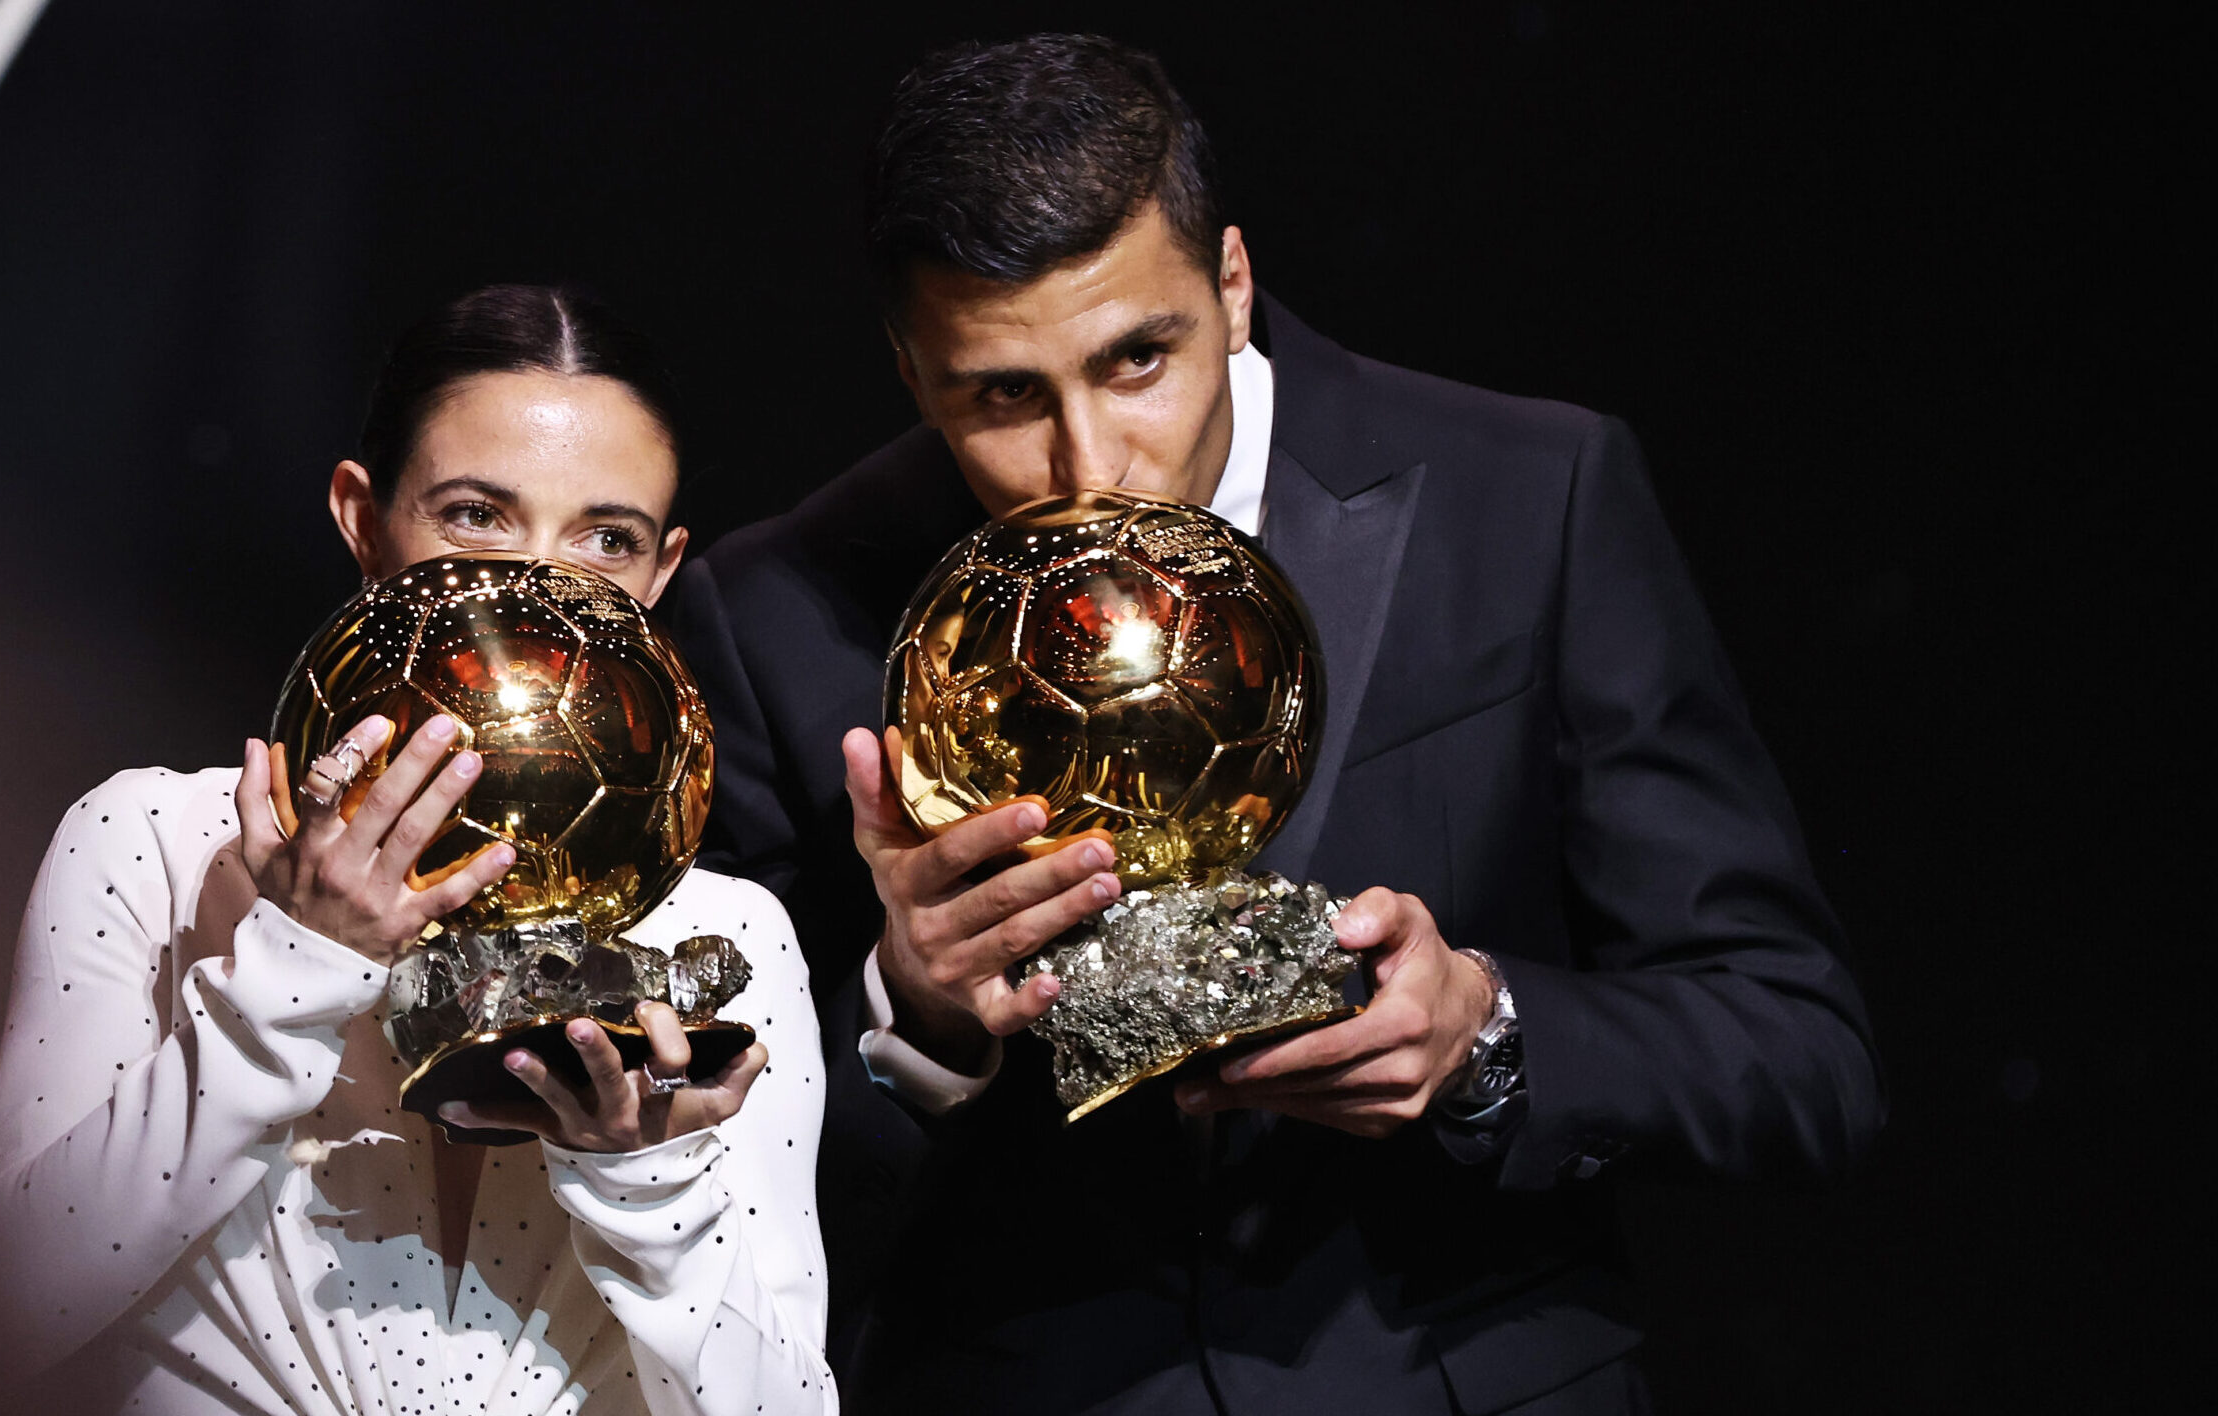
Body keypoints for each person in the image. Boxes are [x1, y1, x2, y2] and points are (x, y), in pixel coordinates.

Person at [663, 36, 1881, 1416]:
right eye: (1001, 394)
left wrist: (1481, 1032)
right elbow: (695, 1194)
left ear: (1232, 283)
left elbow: (1798, 1050)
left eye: (1137, 360)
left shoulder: (1531, 496)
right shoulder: (777, 607)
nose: (1088, 465)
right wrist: (912, 1024)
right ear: (908, 367)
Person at [0, 285, 838, 1416]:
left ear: (662, 574)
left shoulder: (720, 931)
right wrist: (291, 975)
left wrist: (645, 1183)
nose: (535, 589)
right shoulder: (155, 843)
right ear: (362, 518)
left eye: (604, 539)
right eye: (476, 515)